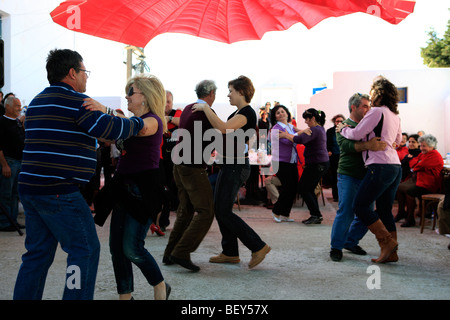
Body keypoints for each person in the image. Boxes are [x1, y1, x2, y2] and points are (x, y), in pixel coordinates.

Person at [13, 49, 145, 300]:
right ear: (72, 73)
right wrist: (139, 122)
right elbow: (113, 128)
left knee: (37, 254)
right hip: (60, 191)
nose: (87, 78)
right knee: (83, 249)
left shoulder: (38, 101)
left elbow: (74, 134)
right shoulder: (76, 101)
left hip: (31, 188)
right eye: (85, 72)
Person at [90, 74, 171, 300]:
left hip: (143, 190)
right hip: (122, 186)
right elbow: (112, 136)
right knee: (116, 249)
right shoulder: (131, 120)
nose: (127, 97)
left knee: (132, 248)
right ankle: (125, 296)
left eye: (131, 92)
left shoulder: (153, 120)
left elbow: (139, 129)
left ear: (145, 96)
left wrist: (107, 111)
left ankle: (160, 286)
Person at [192, 75, 271, 269]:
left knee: (223, 211)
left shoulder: (246, 113)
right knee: (221, 209)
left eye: (231, 91)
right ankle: (230, 252)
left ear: (241, 92)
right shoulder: (239, 113)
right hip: (229, 164)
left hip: (236, 166)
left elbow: (223, 127)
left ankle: (257, 246)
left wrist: (205, 108)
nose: (228, 95)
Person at [337, 76, 402, 263]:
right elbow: (398, 141)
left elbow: (356, 133)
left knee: (361, 205)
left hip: (379, 165)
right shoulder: (395, 115)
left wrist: (343, 130)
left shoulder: (376, 112)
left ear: (377, 93)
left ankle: (387, 243)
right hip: (395, 166)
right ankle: (392, 252)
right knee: (384, 210)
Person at [163, 80, 217, 272]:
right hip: (193, 167)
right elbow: (218, 135)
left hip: (179, 164)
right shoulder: (206, 111)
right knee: (206, 211)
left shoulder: (187, 108)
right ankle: (181, 252)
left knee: (185, 211)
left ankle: (170, 253)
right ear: (210, 93)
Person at [329, 93, 387, 262]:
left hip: (367, 176)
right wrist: (368, 145)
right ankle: (336, 247)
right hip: (348, 175)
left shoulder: (368, 124)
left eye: (368, 106)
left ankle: (350, 241)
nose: (368, 109)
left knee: (367, 213)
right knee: (346, 210)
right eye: (364, 106)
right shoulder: (343, 126)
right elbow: (345, 146)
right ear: (353, 107)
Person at [279, 108, 329, 225]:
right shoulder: (318, 129)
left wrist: (286, 135)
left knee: (304, 188)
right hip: (319, 164)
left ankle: (316, 214)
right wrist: (296, 130)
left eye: (307, 119)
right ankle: (316, 214)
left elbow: (299, 139)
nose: (306, 122)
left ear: (313, 118)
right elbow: (306, 133)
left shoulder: (315, 130)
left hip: (317, 164)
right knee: (308, 189)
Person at [269, 104, 308, 222]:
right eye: (278, 113)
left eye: (283, 111)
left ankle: (286, 213)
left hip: (292, 161)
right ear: (275, 117)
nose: (281, 114)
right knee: (287, 187)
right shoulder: (276, 128)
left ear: (287, 113)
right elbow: (288, 142)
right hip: (281, 162)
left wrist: (296, 133)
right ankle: (276, 211)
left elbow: (301, 135)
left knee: (293, 187)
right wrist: (293, 135)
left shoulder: (290, 127)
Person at [395, 134, 443, 227]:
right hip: (419, 180)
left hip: (429, 184)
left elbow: (417, 166)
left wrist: (416, 163)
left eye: (424, 146)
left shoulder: (434, 155)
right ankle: (401, 212)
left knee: (409, 192)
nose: (421, 148)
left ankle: (410, 218)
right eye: (421, 145)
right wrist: (416, 162)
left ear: (431, 146)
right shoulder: (424, 154)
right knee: (398, 188)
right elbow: (414, 163)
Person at [0, 96, 25, 231]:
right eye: (16, 106)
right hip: (9, 163)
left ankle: (13, 221)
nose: (19, 109)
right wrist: (4, 164)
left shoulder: (17, 122)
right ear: (8, 107)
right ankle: (4, 222)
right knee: (6, 193)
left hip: (19, 162)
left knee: (15, 194)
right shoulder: (2, 122)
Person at [326, 114, 345, 202]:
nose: (339, 123)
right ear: (334, 122)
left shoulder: (347, 130)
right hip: (334, 156)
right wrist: (328, 150)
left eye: (341, 121)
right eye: (337, 121)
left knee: (344, 177)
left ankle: (343, 196)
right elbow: (326, 143)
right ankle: (335, 196)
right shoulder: (330, 131)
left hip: (344, 157)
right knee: (334, 177)